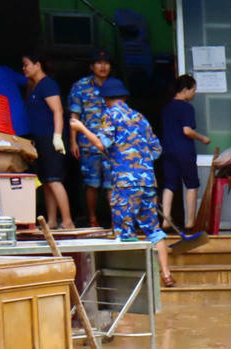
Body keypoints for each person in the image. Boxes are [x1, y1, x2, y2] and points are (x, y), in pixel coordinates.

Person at [69, 79, 175, 288]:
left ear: (106, 100)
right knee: (153, 230)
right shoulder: (140, 118)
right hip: (147, 181)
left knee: (125, 232)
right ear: (125, 98)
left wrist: (81, 128)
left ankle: (133, 285)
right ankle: (166, 274)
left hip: (126, 185)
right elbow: (156, 151)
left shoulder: (110, 115)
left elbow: (101, 143)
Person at [21, 53, 72, 229]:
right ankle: (51, 220)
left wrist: (57, 136)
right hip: (39, 138)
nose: (24, 68)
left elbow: (57, 111)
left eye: (26, 65)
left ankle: (67, 221)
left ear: (38, 65)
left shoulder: (48, 84)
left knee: (55, 179)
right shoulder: (34, 86)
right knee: (47, 180)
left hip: (51, 137)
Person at [68, 50, 113, 228]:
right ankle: (93, 219)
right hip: (88, 144)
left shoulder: (115, 86)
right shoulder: (81, 86)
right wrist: (72, 141)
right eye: (98, 63)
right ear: (91, 66)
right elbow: (74, 116)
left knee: (112, 185)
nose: (103, 66)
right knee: (91, 184)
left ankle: (114, 223)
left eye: (106, 63)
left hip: (111, 145)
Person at [160, 74, 209, 230]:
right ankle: (190, 222)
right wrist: (202, 138)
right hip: (184, 151)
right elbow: (187, 131)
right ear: (186, 90)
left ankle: (166, 220)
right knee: (192, 184)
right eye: (193, 90)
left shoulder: (166, 108)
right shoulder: (186, 108)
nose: (194, 94)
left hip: (167, 150)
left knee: (169, 185)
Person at [0, 63, 29, 136]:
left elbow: (29, 82)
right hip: (20, 123)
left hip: (5, 125)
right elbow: (29, 82)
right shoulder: (5, 70)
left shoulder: (4, 70)